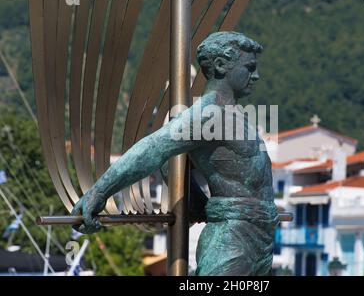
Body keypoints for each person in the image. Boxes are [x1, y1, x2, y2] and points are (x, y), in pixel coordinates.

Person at [72, 31, 279, 275]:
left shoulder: (235, 116)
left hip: (261, 236)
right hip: (233, 238)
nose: (256, 76)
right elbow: (152, 149)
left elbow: (171, 165)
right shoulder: (206, 115)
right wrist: (100, 191)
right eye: (250, 67)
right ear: (222, 66)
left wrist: (197, 201)